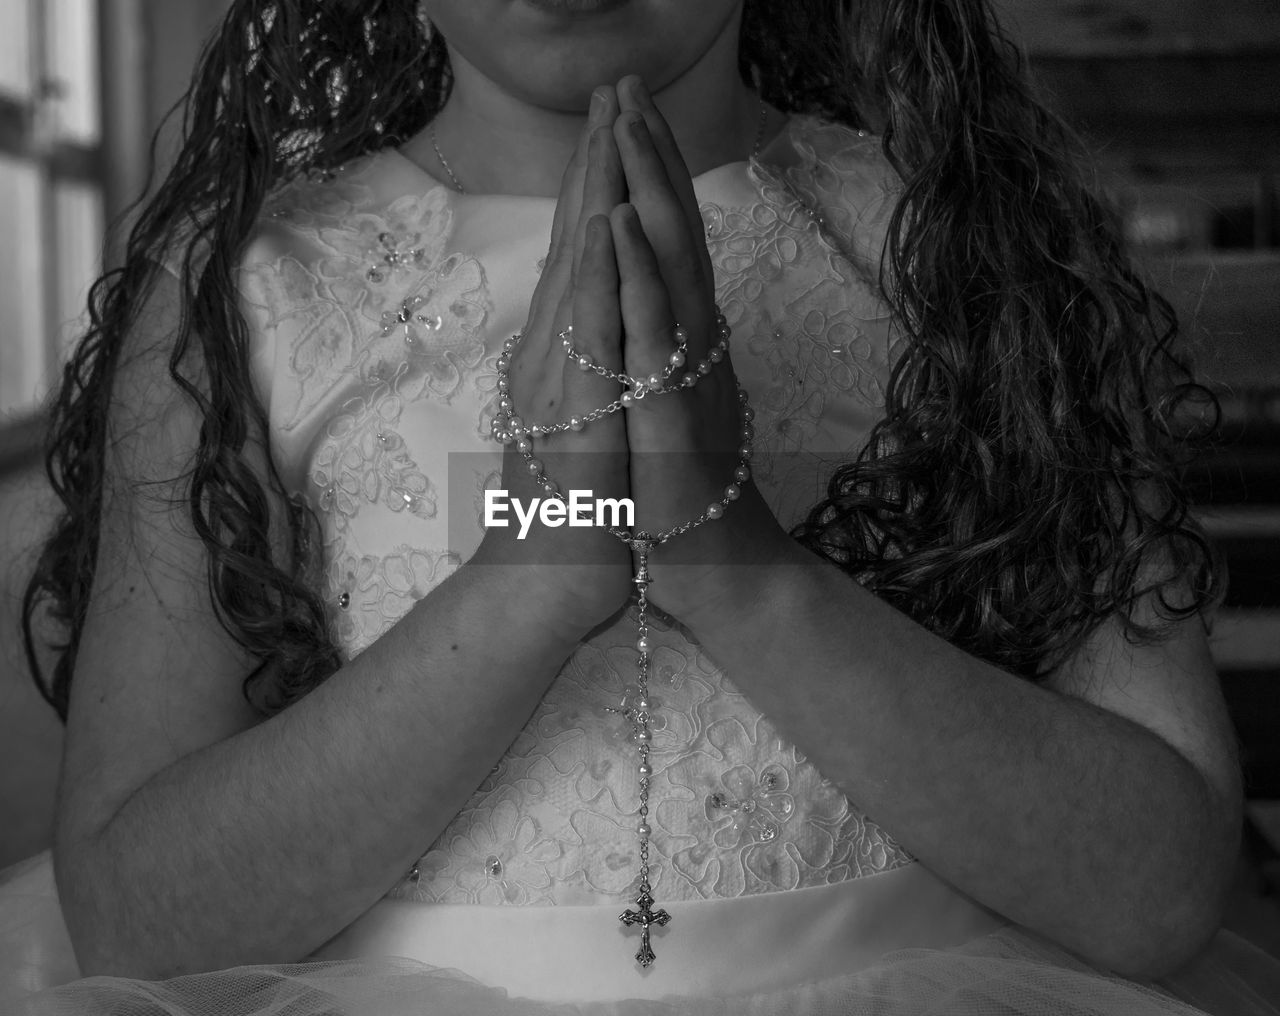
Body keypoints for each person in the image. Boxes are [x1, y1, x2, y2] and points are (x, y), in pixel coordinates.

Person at [3, 0, 1280, 1012]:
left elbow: (1158, 884)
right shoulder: (244, 301)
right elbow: (134, 916)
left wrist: (731, 559)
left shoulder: (968, 255)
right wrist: (533, 575)